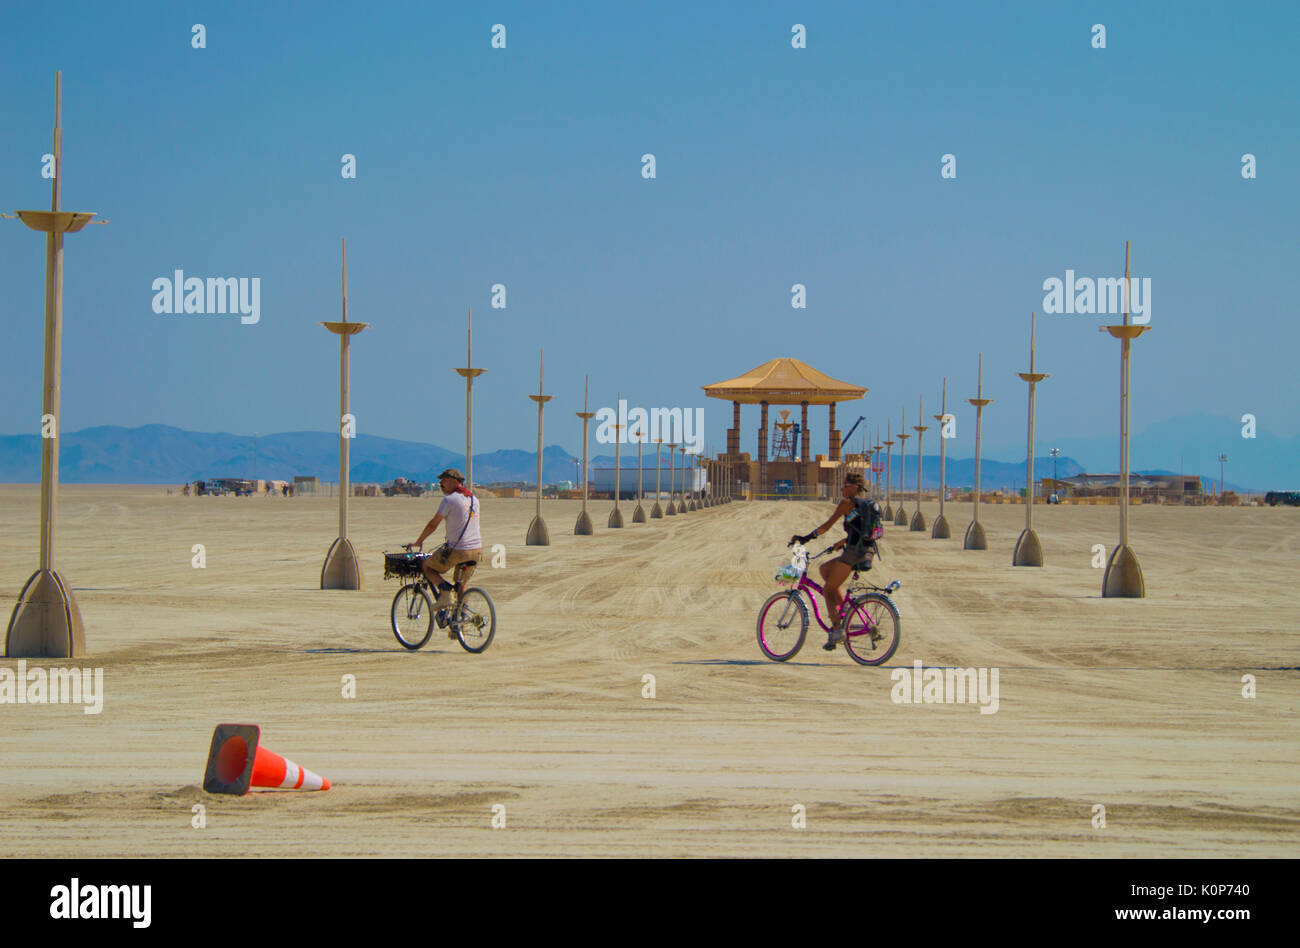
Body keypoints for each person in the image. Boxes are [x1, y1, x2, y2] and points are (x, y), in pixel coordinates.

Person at [789, 472, 882, 651]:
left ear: (854, 487)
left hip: (854, 553)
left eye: (845, 485)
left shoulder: (847, 503)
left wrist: (805, 538)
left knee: (827, 588)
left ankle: (837, 630)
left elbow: (826, 526)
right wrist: (842, 542)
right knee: (824, 569)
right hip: (863, 550)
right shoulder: (864, 506)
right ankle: (845, 607)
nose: (842, 488)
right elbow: (859, 530)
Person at [411, 468, 483, 635]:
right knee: (461, 585)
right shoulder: (474, 499)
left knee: (428, 566)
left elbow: (432, 524)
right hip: (476, 550)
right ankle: (460, 624)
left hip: (457, 550)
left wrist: (419, 541)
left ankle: (445, 593)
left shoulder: (449, 500)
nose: (441, 483)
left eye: (443, 480)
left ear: (453, 481)